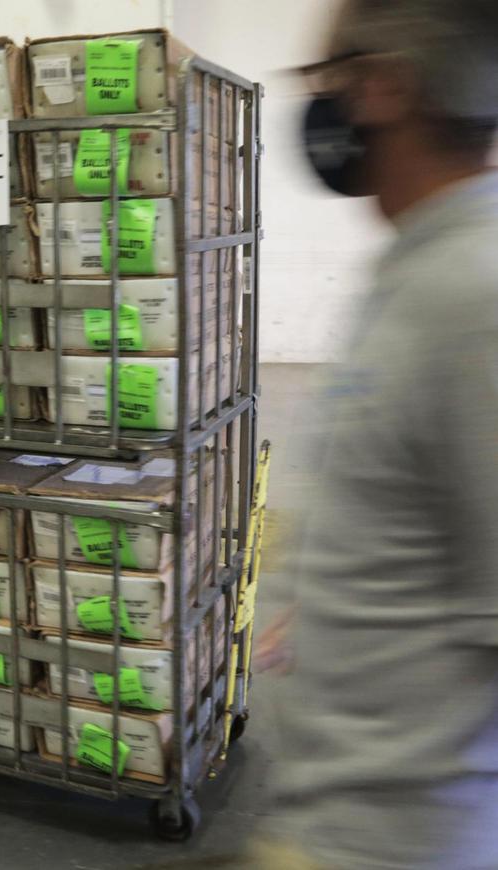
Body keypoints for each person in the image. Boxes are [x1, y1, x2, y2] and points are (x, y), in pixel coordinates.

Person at [253, 1, 498, 867]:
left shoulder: (477, 299)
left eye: (332, 79)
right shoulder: (420, 266)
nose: (324, 106)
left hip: (398, 844)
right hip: (331, 825)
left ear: (386, 84)